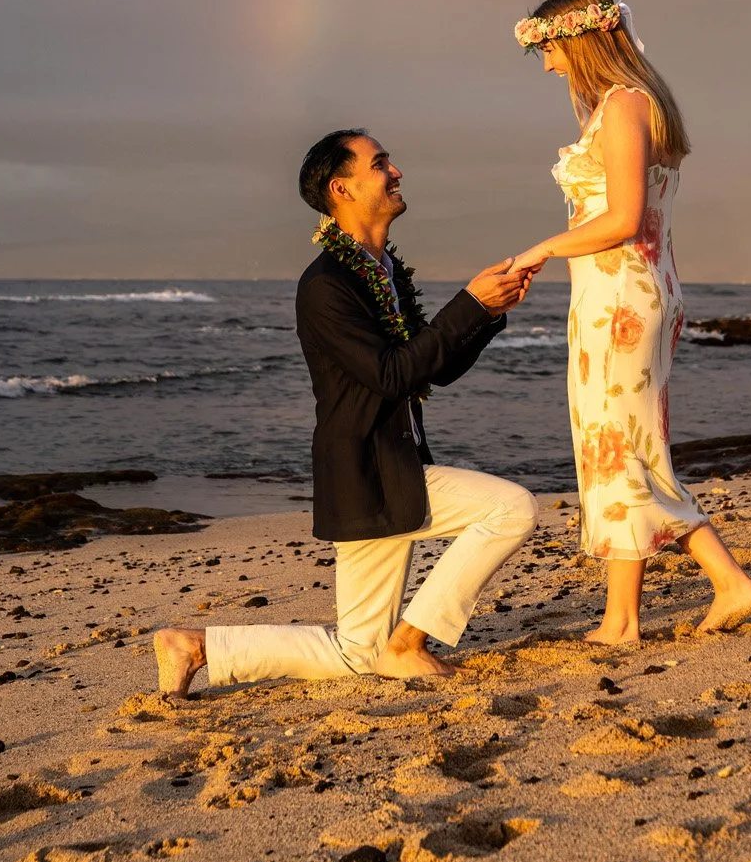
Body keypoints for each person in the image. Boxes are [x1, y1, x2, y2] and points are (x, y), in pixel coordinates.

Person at [153, 128, 538, 695]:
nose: (397, 171)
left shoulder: (381, 271)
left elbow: (429, 369)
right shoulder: (327, 284)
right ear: (342, 188)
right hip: (367, 472)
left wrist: (486, 314)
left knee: (357, 652)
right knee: (512, 509)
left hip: (389, 469)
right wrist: (470, 303)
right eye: (380, 163)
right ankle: (409, 643)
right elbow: (389, 375)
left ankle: (197, 645)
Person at [510, 0, 751, 641]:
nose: (545, 63)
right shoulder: (625, 105)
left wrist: (540, 248)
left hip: (621, 296)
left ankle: (727, 581)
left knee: (619, 451)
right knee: (618, 451)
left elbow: (621, 220)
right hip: (627, 291)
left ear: (582, 38)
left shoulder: (624, 106)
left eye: (549, 47)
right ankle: (621, 617)